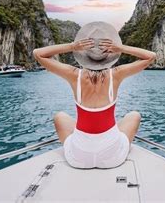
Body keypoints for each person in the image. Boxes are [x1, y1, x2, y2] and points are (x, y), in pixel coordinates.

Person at [32, 21, 156, 169]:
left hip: (79, 158)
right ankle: (106, 138)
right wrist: (120, 48)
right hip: (112, 158)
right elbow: (151, 56)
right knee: (134, 115)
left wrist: (72, 46)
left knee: (60, 117)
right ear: (109, 56)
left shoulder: (74, 75)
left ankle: (87, 141)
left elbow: (37, 54)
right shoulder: (116, 75)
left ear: (83, 56)